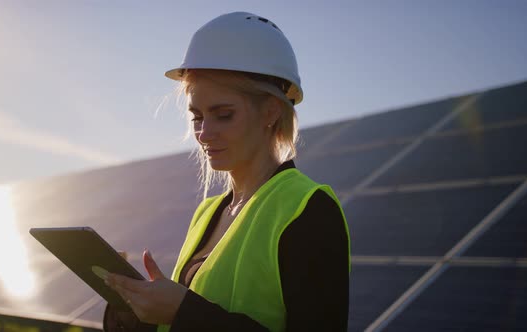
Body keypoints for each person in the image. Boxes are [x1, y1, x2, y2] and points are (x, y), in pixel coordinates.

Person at [102, 11, 350, 332]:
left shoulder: (308, 210)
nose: (204, 133)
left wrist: (183, 311)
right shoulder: (207, 212)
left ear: (271, 111)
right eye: (197, 116)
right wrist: (135, 314)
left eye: (223, 115)